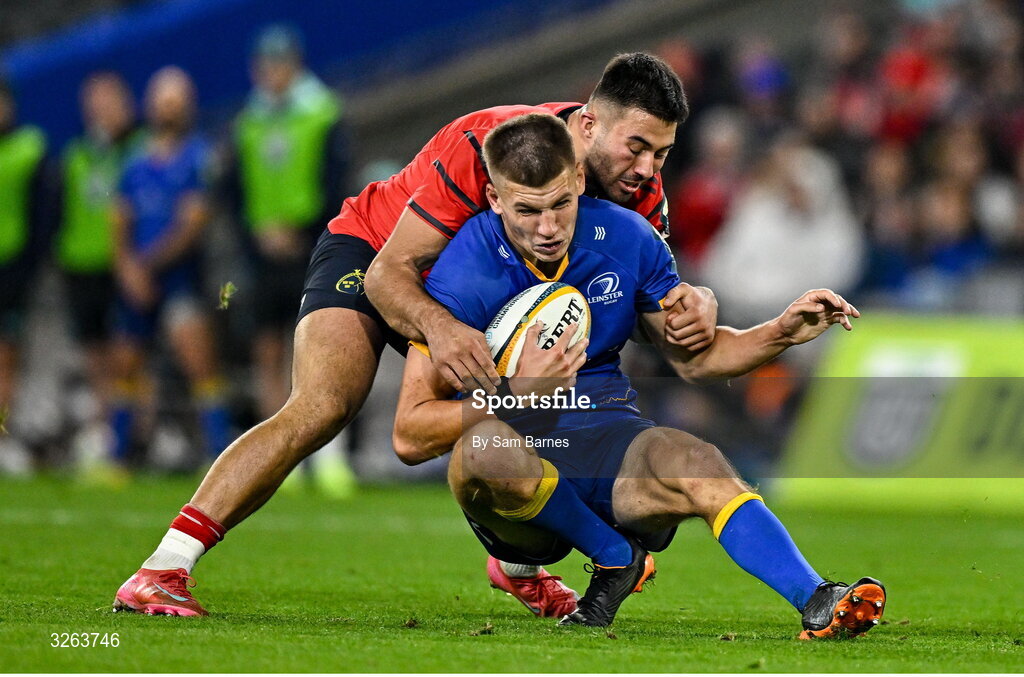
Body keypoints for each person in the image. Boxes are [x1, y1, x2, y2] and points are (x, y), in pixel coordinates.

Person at [113, 53, 718, 616]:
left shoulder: (640, 193)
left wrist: (696, 305)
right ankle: (164, 567)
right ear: (587, 125)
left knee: (552, 393)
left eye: (660, 154)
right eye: (636, 147)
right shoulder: (485, 144)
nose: (646, 169)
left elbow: (645, 305)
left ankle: (515, 562)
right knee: (325, 403)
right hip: (377, 256)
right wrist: (442, 326)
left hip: (473, 296)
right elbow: (387, 274)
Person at [391, 113, 886, 637]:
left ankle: (819, 598)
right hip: (520, 491)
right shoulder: (460, 273)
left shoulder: (628, 238)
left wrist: (780, 332)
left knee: (699, 461)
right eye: (526, 211)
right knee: (483, 448)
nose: (547, 228)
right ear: (493, 198)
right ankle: (613, 558)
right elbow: (409, 432)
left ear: (579, 180)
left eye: (561, 204)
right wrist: (517, 394)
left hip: (606, 436)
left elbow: (693, 356)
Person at [222, 25, 355, 496]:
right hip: (262, 256)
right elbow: (234, 192)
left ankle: (328, 456)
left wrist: (303, 233)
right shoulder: (249, 121)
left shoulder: (321, 112)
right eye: (265, 64)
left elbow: (339, 180)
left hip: (312, 248)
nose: (272, 72)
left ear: (294, 64)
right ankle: (282, 463)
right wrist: (256, 236)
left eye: (280, 63)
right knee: (267, 352)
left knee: (317, 350)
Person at [107, 67, 230, 470]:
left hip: (180, 278)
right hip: (136, 280)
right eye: (163, 102)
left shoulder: (199, 157)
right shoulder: (133, 159)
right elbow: (119, 220)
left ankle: (221, 456)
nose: (169, 110)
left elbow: (191, 225)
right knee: (124, 365)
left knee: (200, 364)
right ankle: (118, 459)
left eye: (176, 103)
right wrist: (127, 268)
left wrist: (143, 266)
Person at [55, 72, 142, 477]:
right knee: (95, 356)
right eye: (93, 101)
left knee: (127, 353)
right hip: (81, 265)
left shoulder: (138, 148)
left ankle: (135, 436)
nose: (99, 109)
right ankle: (107, 434)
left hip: (122, 265)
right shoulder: (77, 153)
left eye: (107, 100)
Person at [0, 78, 54, 473]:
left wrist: (29, 269)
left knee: (6, 360)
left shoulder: (29, 147)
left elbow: (42, 214)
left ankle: (4, 438)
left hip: (12, 271)